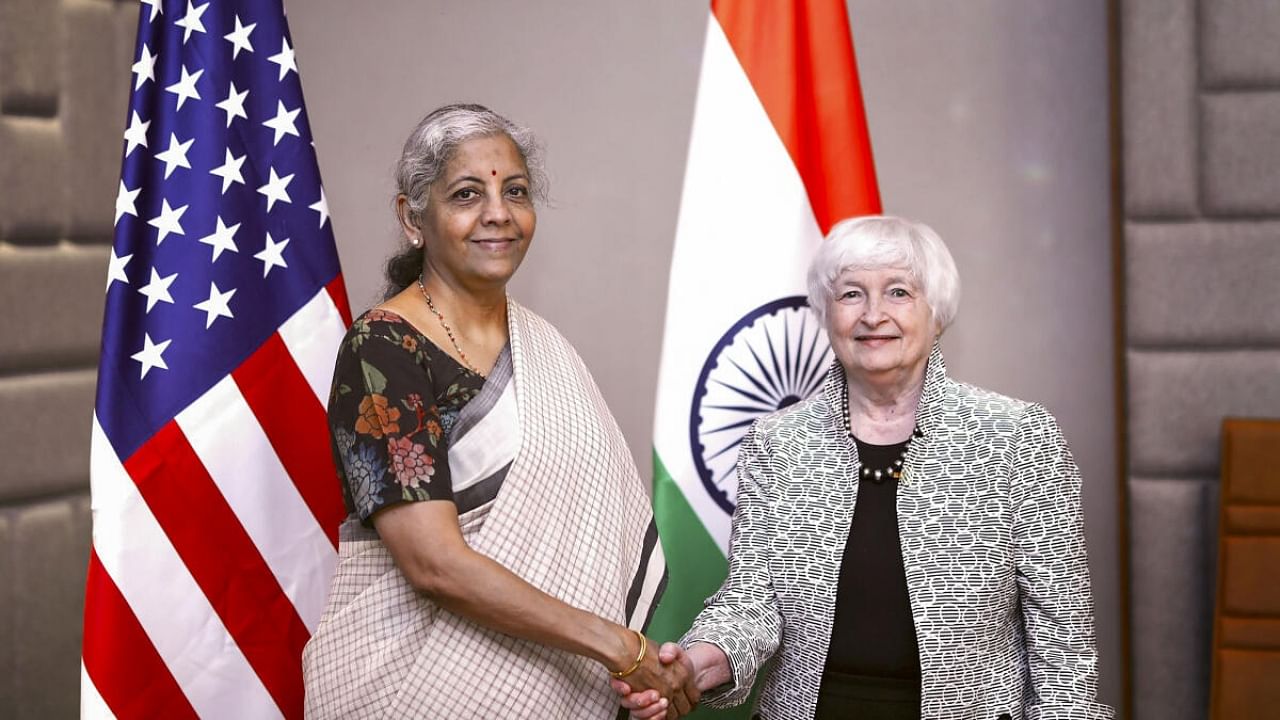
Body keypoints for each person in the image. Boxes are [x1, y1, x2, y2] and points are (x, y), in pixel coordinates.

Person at [618, 215, 1113, 720]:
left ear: (936, 314)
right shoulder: (778, 443)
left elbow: (1062, 634)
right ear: (826, 313)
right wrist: (698, 665)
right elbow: (751, 603)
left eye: (899, 292)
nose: (873, 314)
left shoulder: (1016, 435)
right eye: (851, 294)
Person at [302, 104, 694, 718]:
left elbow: (593, 542)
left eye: (515, 191)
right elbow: (434, 565)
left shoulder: (544, 350)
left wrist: (636, 677)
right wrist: (618, 647)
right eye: (466, 194)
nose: (498, 214)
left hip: (562, 686)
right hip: (414, 691)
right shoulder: (384, 351)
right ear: (413, 218)